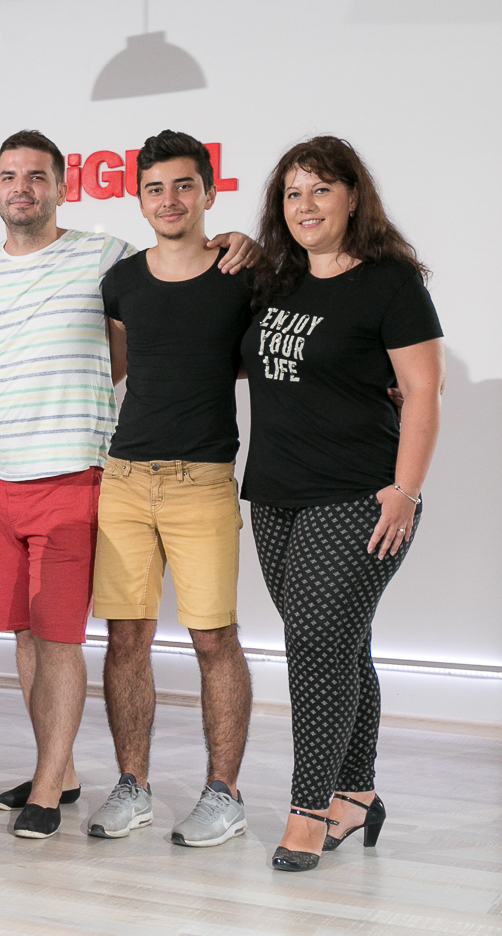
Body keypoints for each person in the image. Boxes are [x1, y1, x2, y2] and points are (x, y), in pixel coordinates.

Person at [0, 129, 255, 838]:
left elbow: (139, 349)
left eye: (37, 176)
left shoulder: (116, 259)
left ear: (63, 187)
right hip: (45, 476)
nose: (22, 188)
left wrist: (244, 243)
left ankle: (210, 791)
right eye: (9, 176)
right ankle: (89, 776)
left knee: (192, 638)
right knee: (76, 636)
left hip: (126, 473)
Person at [240, 137, 442, 872]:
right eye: (293, 193)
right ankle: (357, 796)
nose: (306, 206)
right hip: (275, 496)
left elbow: (423, 389)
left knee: (316, 647)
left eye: (321, 189)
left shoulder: (390, 283)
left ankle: (308, 810)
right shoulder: (276, 281)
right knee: (339, 644)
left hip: (360, 495)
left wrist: (405, 491)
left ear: (354, 197)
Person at [87, 130, 254, 847]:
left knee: (214, 638)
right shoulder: (122, 280)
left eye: (184, 185)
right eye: (155, 188)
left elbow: (257, 359)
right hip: (124, 478)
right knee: (126, 636)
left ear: (208, 192)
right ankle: (134, 786)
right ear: (139, 199)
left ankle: (224, 793)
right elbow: (115, 368)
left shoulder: (243, 272)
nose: (170, 199)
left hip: (203, 481)